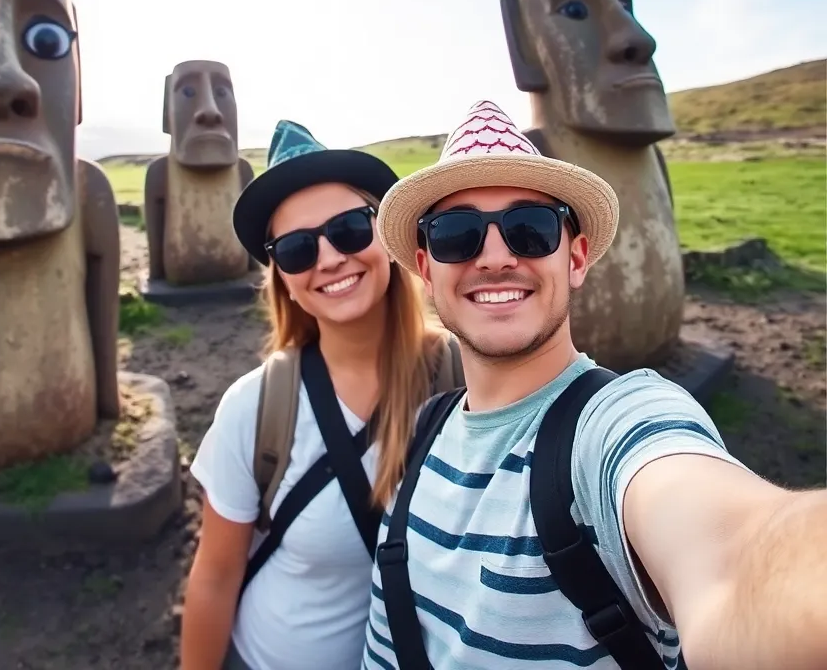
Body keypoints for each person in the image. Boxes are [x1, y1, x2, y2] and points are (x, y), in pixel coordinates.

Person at [361, 98, 827, 670]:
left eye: (529, 229)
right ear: (428, 269)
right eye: (456, 234)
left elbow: (735, 555)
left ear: (575, 257)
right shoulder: (420, 431)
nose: (495, 256)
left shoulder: (616, 425)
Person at [179, 120, 463, 670]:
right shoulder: (257, 407)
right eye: (298, 247)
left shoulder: (464, 378)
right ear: (282, 277)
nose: (330, 258)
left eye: (352, 228)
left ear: (389, 236)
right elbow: (214, 576)